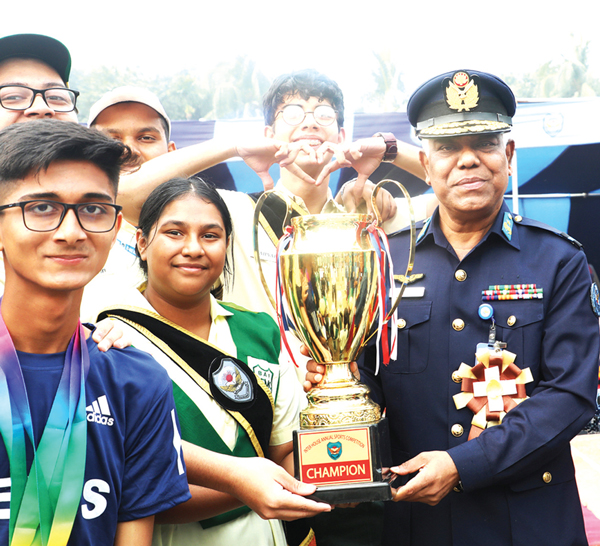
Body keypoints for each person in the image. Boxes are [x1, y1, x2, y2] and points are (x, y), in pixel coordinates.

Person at [307, 69, 600, 545]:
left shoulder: (559, 261)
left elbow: (570, 396)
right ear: (425, 162)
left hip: (529, 523)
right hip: (415, 524)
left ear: (507, 155)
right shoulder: (383, 260)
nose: (468, 161)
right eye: (447, 148)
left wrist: (462, 465)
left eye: (484, 143)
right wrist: (337, 385)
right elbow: (367, 381)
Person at [0, 119, 191, 545]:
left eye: (93, 209)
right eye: (42, 207)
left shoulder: (137, 380)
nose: (71, 232)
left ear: (116, 224)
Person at [96, 177, 312, 546]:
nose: (193, 248)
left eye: (211, 235)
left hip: (266, 532)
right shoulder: (108, 340)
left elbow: (285, 450)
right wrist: (247, 487)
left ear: (227, 246)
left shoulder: (259, 330)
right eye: (175, 232)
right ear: (142, 243)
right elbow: (120, 482)